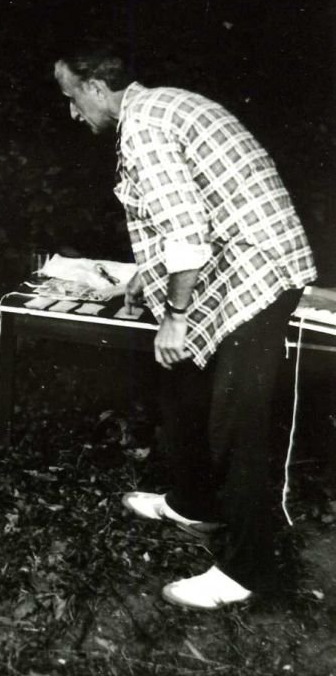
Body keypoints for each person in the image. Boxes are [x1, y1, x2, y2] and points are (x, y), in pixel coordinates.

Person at [54, 44, 317, 609]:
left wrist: (175, 317)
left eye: (73, 98)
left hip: (258, 276)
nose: (73, 112)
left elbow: (186, 229)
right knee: (183, 386)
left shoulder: (145, 127)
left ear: (97, 88)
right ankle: (194, 504)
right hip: (236, 270)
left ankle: (246, 570)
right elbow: (190, 210)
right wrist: (145, 276)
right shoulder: (160, 107)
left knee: (235, 422)